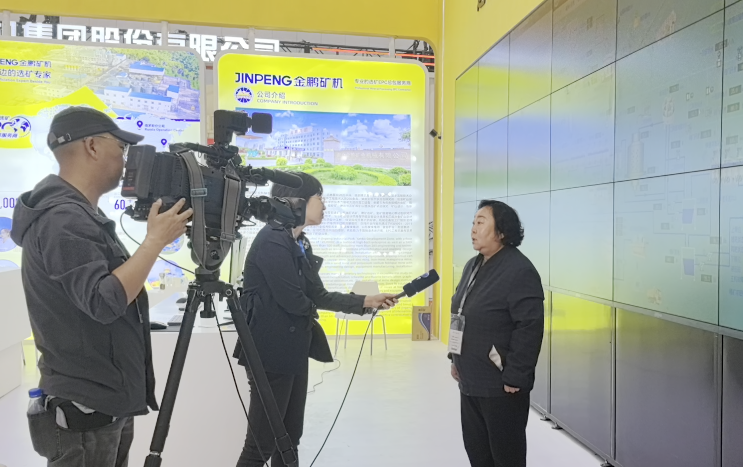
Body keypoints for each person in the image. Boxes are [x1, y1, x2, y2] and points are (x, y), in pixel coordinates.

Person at [11, 106, 193, 467]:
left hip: (101, 401)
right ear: (92, 146)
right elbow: (103, 301)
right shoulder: (63, 218)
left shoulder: (78, 214)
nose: (125, 159)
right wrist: (154, 242)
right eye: (121, 148)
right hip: (85, 407)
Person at [233, 172, 398, 467]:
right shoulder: (272, 240)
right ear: (295, 201)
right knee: (260, 445)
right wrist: (318, 307)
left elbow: (316, 294)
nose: (324, 205)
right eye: (319, 197)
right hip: (270, 353)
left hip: (293, 349)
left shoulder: (299, 242)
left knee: (289, 439)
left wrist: (365, 301)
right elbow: (294, 299)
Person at [449, 200, 544, 467]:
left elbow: (529, 327)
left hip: (501, 385)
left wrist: (516, 375)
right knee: (478, 453)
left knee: (505, 456)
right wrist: (455, 357)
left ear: (501, 232)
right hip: (471, 378)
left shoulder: (519, 270)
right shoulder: (473, 265)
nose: (473, 229)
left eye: (480, 223)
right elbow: (461, 311)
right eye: (473, 223)